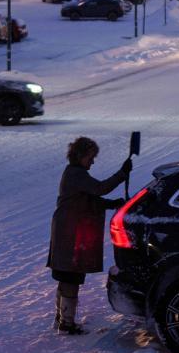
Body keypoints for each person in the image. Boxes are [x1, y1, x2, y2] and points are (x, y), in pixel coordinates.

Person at [47, 137, 131, 334]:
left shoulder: (75, 174)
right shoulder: (76, 174)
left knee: (66, 275)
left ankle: (61, 319)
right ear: (79, 155)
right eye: (90, 157)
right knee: (70, 275)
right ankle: (66, 324)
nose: (92, 162)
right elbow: (99, 189)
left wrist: (111, 204)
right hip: (69, 232)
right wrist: (122, 174)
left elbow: (88, 199)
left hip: (68, 230)